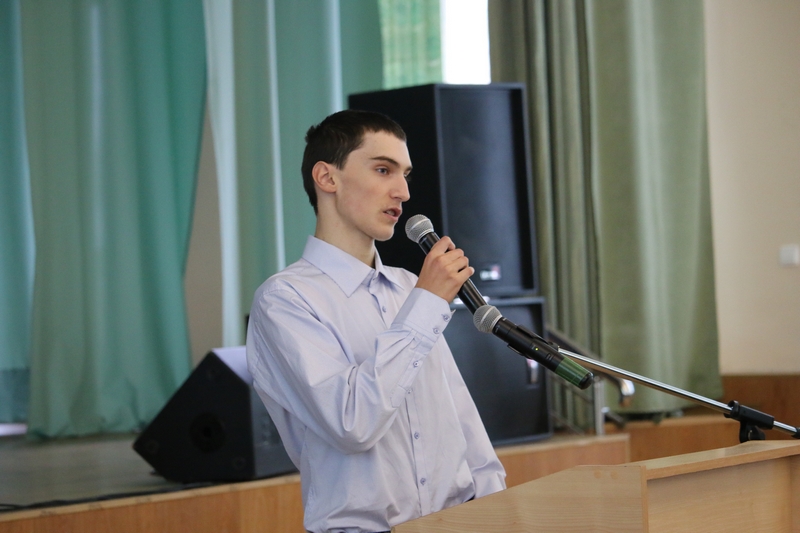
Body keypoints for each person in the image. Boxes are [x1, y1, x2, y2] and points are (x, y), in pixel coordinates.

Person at [246, 109, 506, 533]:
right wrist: (426, 304)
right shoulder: (285, 300)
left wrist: (497, 508)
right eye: (383, 170)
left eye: (405, 174)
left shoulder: (410, 287)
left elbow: (460, 419)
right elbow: (352, 424)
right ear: (327, 177)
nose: (403, 192)